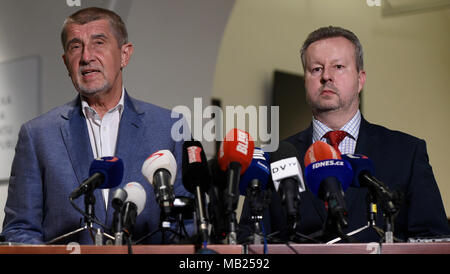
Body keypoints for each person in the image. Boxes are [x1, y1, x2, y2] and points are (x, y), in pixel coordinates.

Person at [239, 26, 450, 243]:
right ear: (305, 81)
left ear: (360, 79)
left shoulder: (406, 152)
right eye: (316, 69)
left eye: (338, 67)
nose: (326, 77)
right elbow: (250, 242)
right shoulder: (275, 157)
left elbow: (434, 240)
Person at [1, 7, 191, 244]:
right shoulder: (37, 135)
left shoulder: (169, 128)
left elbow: (187, 225)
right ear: (65, 62)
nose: (86, 56)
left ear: (125, 54)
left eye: (98, 42)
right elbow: (19, 231)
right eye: (75, 46)